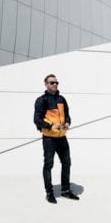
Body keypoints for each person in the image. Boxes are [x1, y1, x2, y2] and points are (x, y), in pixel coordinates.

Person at [34, 74, 80, 203]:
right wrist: (50, 126)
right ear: (46, 84)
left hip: (62, 138)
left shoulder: (61, 99)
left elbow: (67, 115)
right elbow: (37, 120)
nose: (55, 84)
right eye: (52, 82)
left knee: (67, 163)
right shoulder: (41, 100)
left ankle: (65, 190)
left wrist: (67, 123)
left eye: (56, 82)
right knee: (49, 164)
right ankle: (49, 193)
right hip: (49, 139)